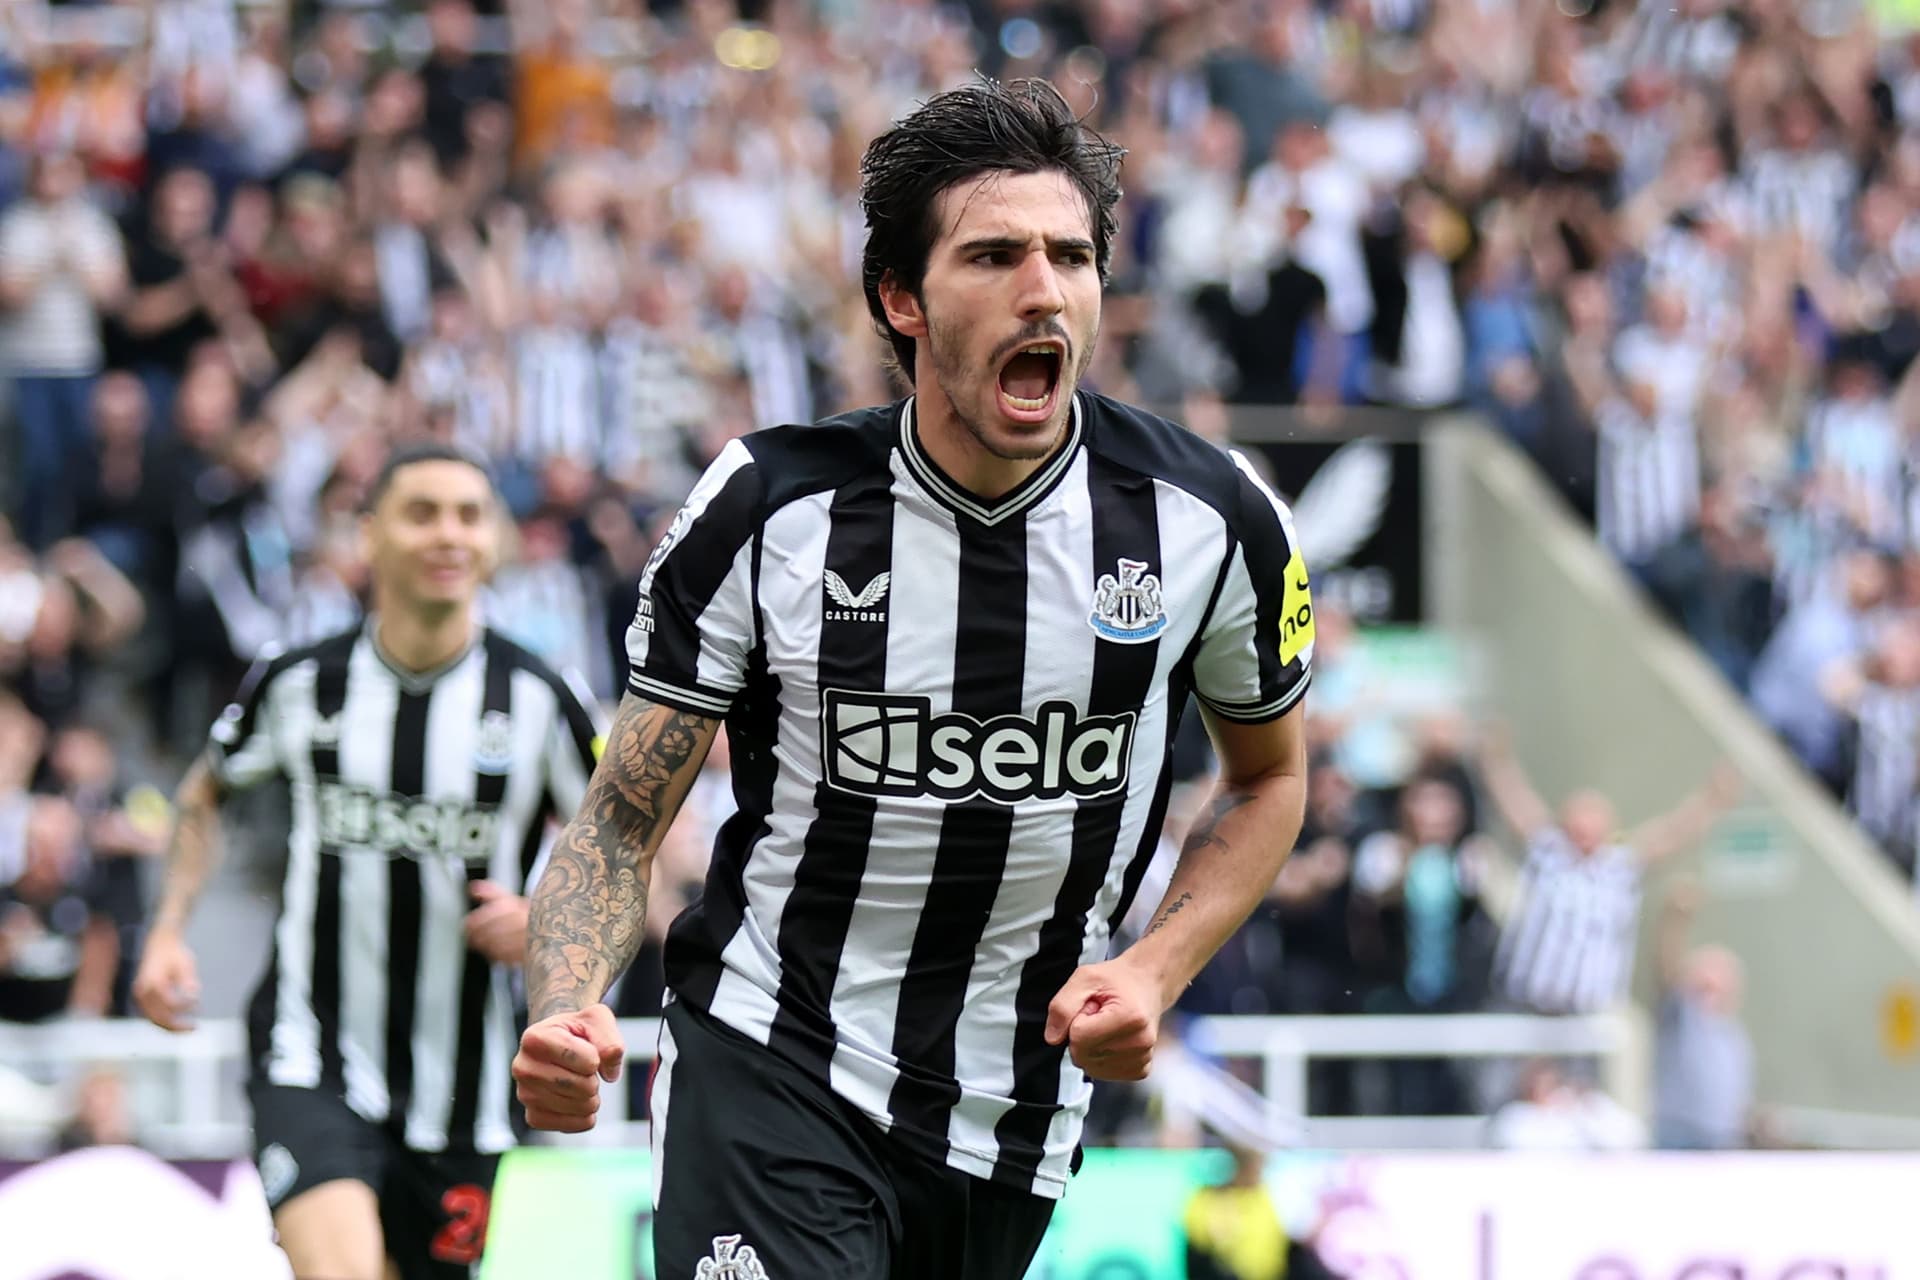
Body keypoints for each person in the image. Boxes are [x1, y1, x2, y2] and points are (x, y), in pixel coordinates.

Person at [513, 78, 1313, 1278]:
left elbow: (1269, 780)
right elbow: (624, 816)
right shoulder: (766, 507)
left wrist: (1155, 965)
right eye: (994, 255)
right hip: (771, 1055)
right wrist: (566, 1001)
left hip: (1013, 1115)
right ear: (903, 298)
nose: (1044, 289)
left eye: (1072, 256)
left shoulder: (1212, 519)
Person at [131, 442, 604, 1280]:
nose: (448, 535)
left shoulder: (539, 697)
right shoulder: (298, 683)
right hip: (310, 1053)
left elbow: (616, 850)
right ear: (368, 535)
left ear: (494, 541)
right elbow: (205, 794)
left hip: (467, 1093)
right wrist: (168, 930)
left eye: (469, 515)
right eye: (422, 513)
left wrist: (546, 920)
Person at [1477, 725, 1742, 1015]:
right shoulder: (1548, 852)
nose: (1584, 831)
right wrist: (1496, 758)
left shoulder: (1617, 868)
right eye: (1578, 821)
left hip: (1585, 1018)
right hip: (1524, 1006)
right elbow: (1516, 801)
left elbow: (1671, 834)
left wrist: (1712, 800)